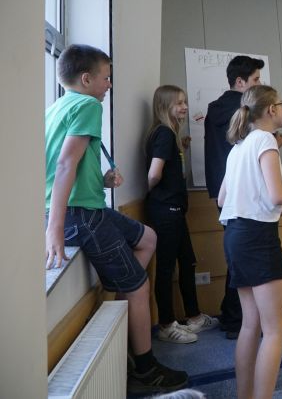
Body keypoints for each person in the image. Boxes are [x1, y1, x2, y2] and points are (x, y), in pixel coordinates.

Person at [44, 44, 187, 394]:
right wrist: (54, 227)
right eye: (106, 78)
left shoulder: (57, 107)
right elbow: (64, 163)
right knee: (138, 285)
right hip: (80, 213)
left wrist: (103, 180)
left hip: (89, 206)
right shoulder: (88, 105)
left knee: (148, 238)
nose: (109, 84)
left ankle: (123, 318)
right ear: (86, 79)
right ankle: (146, 369)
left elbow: (69, 164)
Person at [218, 85, 282, 399]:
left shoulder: (238, 147)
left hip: (235, 236)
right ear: (271, 109)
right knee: (274, 329)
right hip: (258, 237)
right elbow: (277, 194)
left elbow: (222, 199)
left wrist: (271, 197)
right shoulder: (265, 139)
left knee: (251, 324)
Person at [146, 85, 219, 344]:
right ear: (164, 106)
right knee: (166, 268)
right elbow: (154, 174)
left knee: (187, 262)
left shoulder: (170, 134)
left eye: (185, 102)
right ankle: (166, 325)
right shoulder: (164, 133)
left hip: (173, 210)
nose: (185, 107)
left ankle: (193, 316)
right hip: (166, 210)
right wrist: (158, 192)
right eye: (178, 103)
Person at [204, 55, 265, 339]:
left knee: (237, 255)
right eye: (255, 80)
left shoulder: (215, 108)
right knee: (243, 257)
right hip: (242, 191)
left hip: (224, 191)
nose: (259, 84)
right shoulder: (243, 111)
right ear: (240, 82)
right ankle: (234, 318)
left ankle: (234, 315)